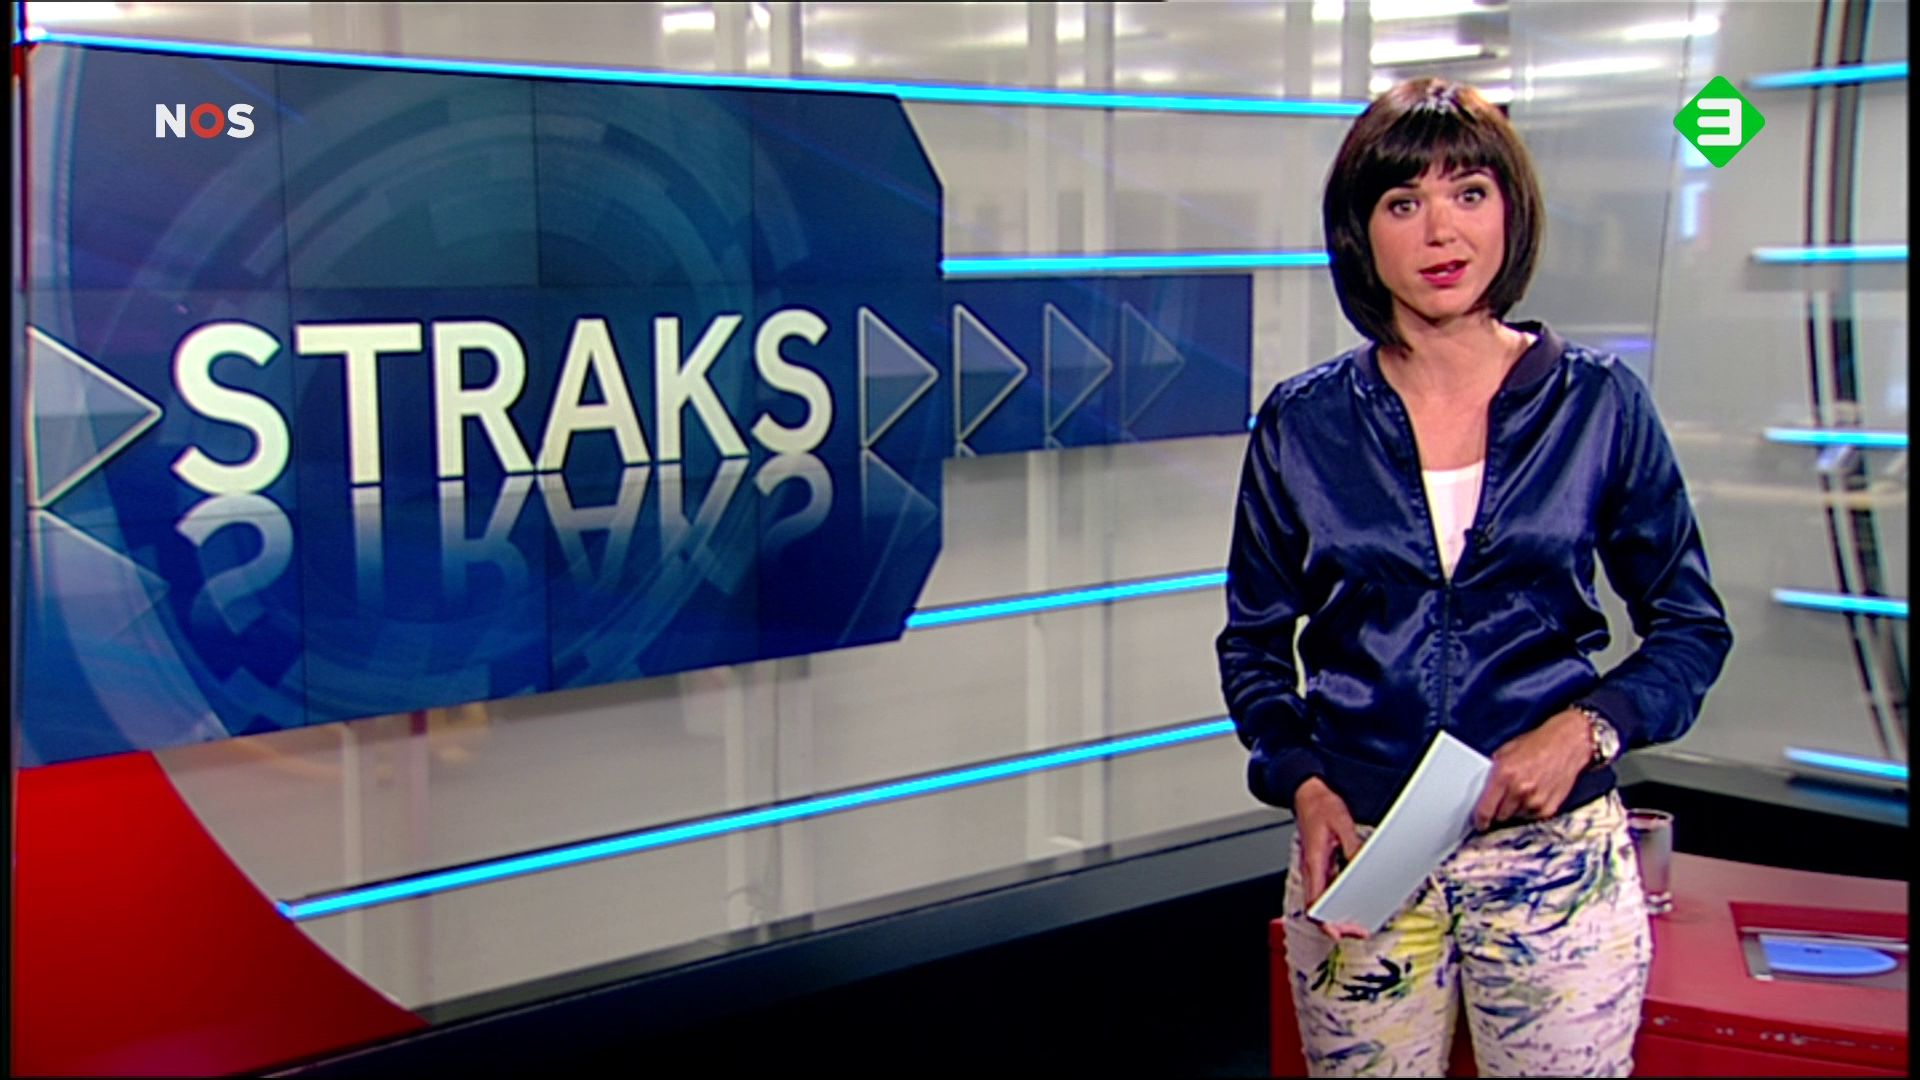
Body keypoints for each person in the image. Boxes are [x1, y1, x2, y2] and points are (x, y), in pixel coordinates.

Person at [1216, 77, 1732, 1078]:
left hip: (1554, 865)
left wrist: (1586, 728)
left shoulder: (1599, 405)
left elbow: (1689, 626)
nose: (1440, 231)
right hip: (1365, 855)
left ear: (1510, 210)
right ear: (1361, 233)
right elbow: (1252, 644)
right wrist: (1303, 781)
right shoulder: (1303, 423)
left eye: (1469, 193)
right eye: (1402, 202)